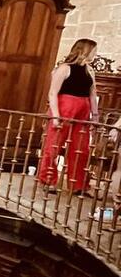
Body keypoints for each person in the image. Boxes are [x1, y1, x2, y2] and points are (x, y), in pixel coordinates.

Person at [37, 39, 99, 194]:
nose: (95, 53)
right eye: (93, 50)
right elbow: (53, 93)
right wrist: (56, 115)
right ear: (84, 50)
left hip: (83, 109)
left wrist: (95, 114)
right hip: (64, 107)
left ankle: (78, 185)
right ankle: (47, 180)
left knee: (80, 148)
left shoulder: (89, 70)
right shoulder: (64, 68)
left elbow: (93, 94)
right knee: (53, 146)